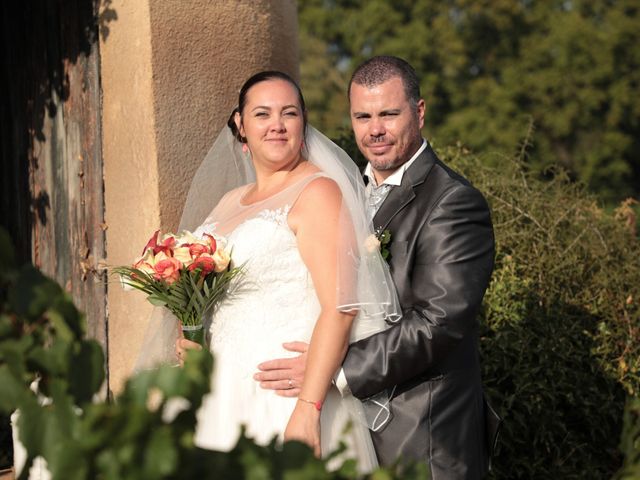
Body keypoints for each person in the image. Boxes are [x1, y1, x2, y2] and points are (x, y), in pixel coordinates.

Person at [254, 56, 500, 479]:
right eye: (362, 116)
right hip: (348, 428)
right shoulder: (341, 189)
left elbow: (438, 322)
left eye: (389, 114)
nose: (375, 130)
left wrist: (331, 367)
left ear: (419, 112)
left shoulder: (453, 202)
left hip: (421, 436)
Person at [170, 70, 400, 471]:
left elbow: (341, 307)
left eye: (288, 113)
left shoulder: (317, 192)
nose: (276, 124)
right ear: (241, 125)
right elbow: (202, 290)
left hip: (283, 398)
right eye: (262, 114)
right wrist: (192, 336)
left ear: (303, 122)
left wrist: (307, 411)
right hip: (221, 395)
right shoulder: (228, 202)